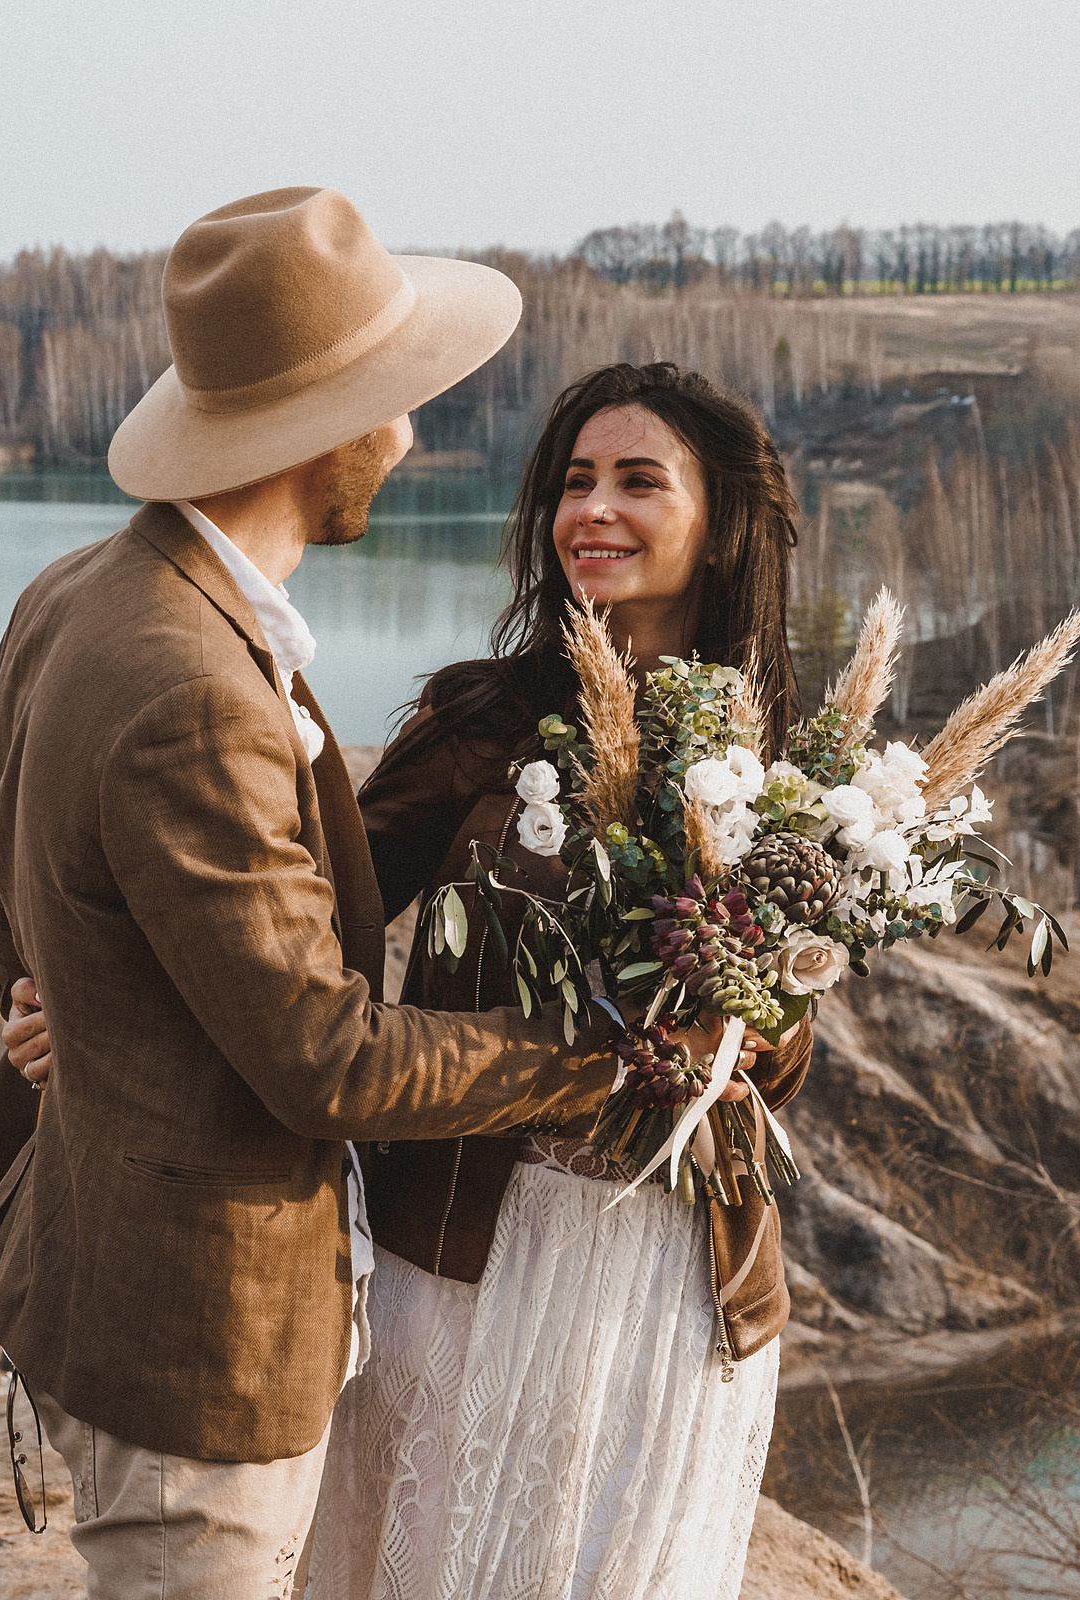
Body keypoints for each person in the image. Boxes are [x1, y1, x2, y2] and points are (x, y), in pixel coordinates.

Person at [0, 191, 738, 1600]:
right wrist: (598, 1061)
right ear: (328, 428)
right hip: (197, 1339)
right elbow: (324, 1057)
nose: (412, 436)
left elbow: (18, 897)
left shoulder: (81, 593)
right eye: (396, 404)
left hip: (143, 1284)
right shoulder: (194, 684)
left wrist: (63, 1002)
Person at [304, 362, 816, 1600]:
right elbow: (307, 913)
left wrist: (733, 1018)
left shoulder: (785, 756)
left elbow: (782, 1063)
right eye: (575, 482)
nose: (594, 510)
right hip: (467, 1248)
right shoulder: (483, 719)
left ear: (722, 522)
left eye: (640, 481)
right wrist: (105, 992)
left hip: (669, 1279)